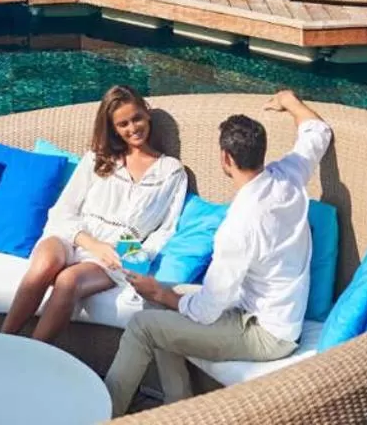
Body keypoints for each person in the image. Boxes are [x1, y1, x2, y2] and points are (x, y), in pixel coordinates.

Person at [105, 89, 331, 415]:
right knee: (158, 301)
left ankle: (102, 415)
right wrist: (291, 101)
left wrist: (162, 292)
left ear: (225, 158)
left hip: (264, 334)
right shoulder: (289, 176)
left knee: (144, 326)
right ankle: (178, 410)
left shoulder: (239, 226)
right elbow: (317, 132)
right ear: (261, 153)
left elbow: (208, 309)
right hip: (259, 311)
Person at [1, 85, 187, 344]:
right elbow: (63, 211)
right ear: (113, 128)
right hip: (75, 235)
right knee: (44, 265)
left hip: (116, 253)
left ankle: (30, 355)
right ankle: (2, 341)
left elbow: (165, 230)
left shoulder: (172, 172)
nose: (132, 128)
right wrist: (92, 244)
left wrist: (132, 256)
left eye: (136, 118)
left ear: (147, 113)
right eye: (123, 124)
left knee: (68, 281)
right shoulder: (98, 158)